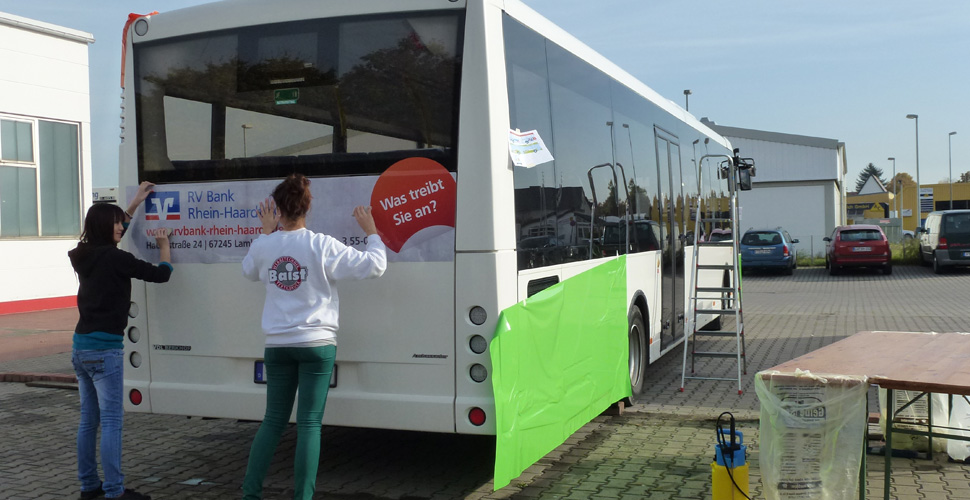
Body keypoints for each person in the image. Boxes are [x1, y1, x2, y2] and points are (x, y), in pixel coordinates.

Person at [241, 173, 386, 500]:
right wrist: (372, 232)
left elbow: (249, 271)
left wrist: (266, 234)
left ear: (277, 209)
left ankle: (250, 494)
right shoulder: (322, 244)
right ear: (308, 208)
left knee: (273, 422)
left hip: (277, 346)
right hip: (317, 344)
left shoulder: (264, 245)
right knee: (309, 424)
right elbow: (374, 267)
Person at [68, 182, 173, 500]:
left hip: (81, 346)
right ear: (104, 227)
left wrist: (134, 204)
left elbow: (112, 236)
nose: (120, 227)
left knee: (89, 420)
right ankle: (114, 491)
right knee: (112, 421)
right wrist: (164, 245)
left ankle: (89, 487)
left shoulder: (82, 255)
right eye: (114, 223)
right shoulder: (117, 259)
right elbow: (161, 274)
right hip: (105, 351)